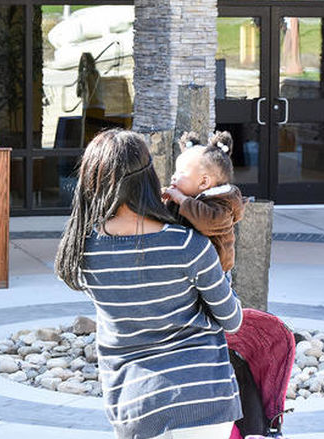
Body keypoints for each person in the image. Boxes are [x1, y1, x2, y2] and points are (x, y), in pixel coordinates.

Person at [55, 129, 243, 439]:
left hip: (134, 400)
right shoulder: (188, 244)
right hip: (204, 397)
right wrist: (221, 273)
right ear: (148, 176)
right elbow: (232, 320)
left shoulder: (82, 251)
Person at [162, 131, 245, 278]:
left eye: (181, 173)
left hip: (213, 272)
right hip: (188, 266)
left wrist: (181, 199)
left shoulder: (222, 203)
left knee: (215, 301)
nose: (173, 176)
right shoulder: (186, 195)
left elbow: (208, 221)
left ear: (204, 182)